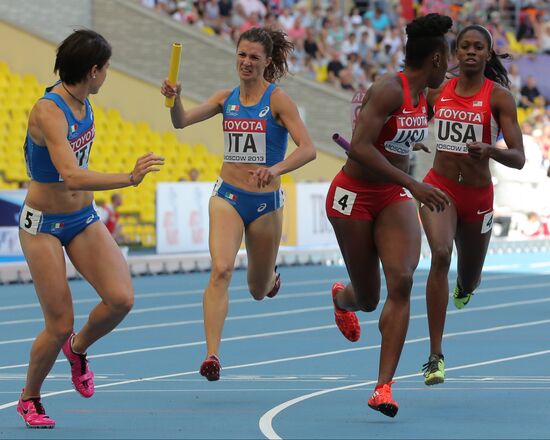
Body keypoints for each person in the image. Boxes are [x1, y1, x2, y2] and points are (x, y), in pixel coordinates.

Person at [16, 29, 164, 428]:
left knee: (121, 298)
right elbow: (70, 176)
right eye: (107, 68)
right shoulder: (49, 110)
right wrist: (129, 178)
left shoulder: (84, 102)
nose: (107, 75)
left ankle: (77, 349)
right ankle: (30, 397)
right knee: (58, 323)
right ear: (93, 70)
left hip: (81, 219)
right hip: (43, 225)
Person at [161, 27, 316, 382]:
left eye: (254, 58)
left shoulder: (278, 101)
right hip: (228, 196)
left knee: (257, 291)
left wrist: (274, 169)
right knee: (221, 269)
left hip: (265, 204)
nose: (246, 63)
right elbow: (180, 122)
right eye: (241, 55)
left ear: (267, 62)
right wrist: (176, 99)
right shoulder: (224, 98)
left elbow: (308, 148)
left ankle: (270, 277)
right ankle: (212, 354)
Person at [325, 13, 452, 418]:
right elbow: (360, 148)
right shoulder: (388, 90)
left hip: (392, 195)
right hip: (352, 195)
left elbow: (401, 138)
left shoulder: (426, 97)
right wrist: (413, 182)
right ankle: (342, 297)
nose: (448, 67)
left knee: (402, 280)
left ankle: (383, 387)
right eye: (446, 58)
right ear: (434, 58)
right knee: (367, 298)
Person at [420, 24, 525, 386]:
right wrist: (415, 138)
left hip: (478, 198)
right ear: (455, 53)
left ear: (487, 54)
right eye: (463, 46)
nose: (470, 52)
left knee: (469, 276)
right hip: (440, 188)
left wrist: (490, 150)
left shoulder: (498, 98)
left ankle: (464, 287)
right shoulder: (438, 93)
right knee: (440, 254)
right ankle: (435, 356)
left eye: (477, 47)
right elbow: (415, 121)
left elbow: (519, 158)